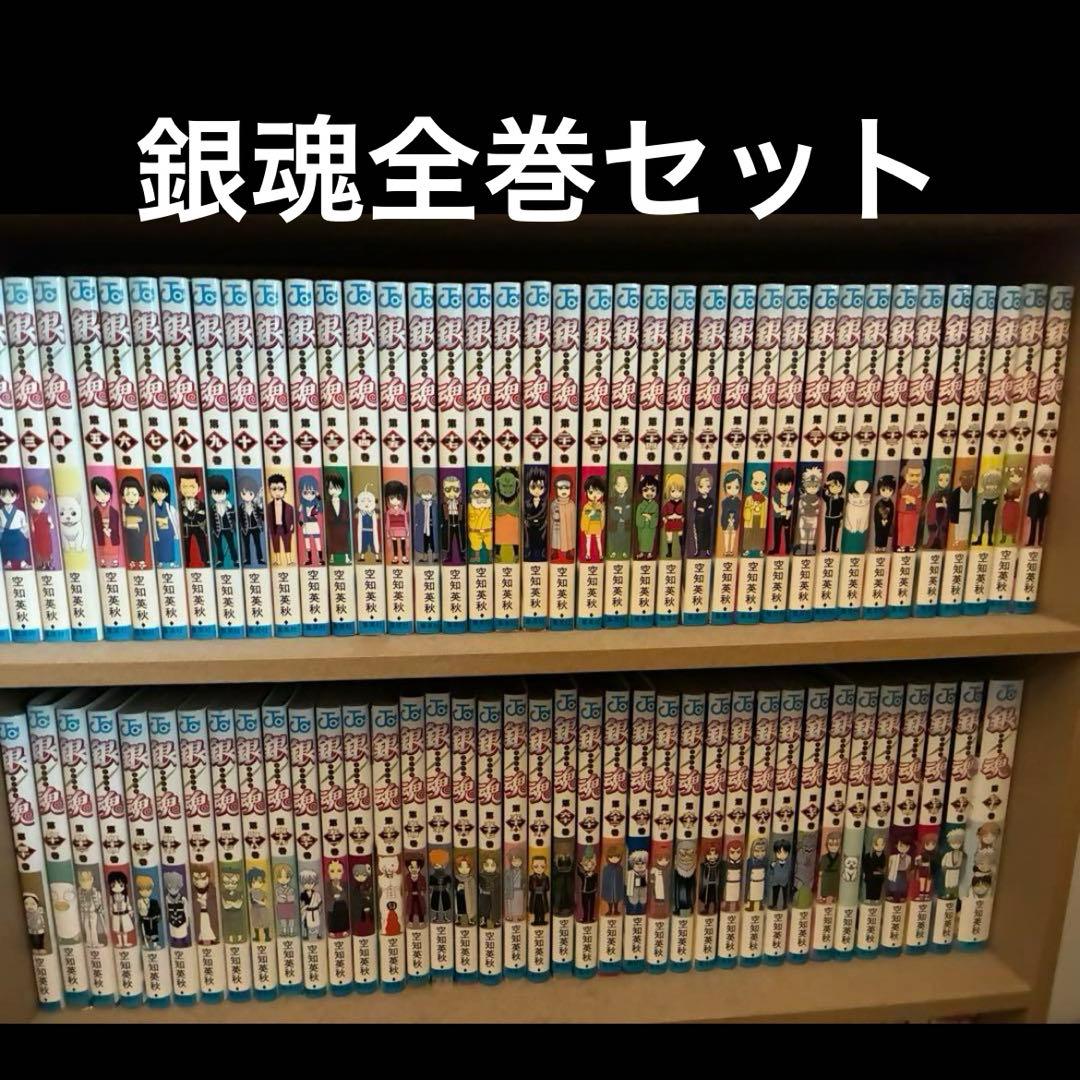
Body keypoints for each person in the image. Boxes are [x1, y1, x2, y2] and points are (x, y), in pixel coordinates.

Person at [147, 474, 179, 567]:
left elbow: (175, 518)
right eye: (155, 492)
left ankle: (172, 561)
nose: (159, 495)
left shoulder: (169, 507)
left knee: (170, 546)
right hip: (159, 531)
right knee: (160, 546)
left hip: (168, 531)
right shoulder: (152, 508)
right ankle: (160, 561)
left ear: (167, 493)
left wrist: (175, 530)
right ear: (151, 493)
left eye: (161, 491)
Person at [207, 475, 239, 567]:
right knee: (218, 546)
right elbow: (210, 519)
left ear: (227, 493)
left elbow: (234, 517)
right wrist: (211, 528)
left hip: (228, 528)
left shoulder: (229, 506)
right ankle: (220, 560)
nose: (218, 496)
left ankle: (235, 559)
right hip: (217, 530)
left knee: (231, 544)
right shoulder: (212, 508)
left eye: (221, 493)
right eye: (215, 493)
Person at [0, 480, 31, 568]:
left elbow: (24, 525)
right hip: (6, 533)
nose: (8, 498)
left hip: (18, 533)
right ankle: (8, 563)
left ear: (17, 496)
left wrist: (26, 533)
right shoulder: (0, 512)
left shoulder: (20, 513)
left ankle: (23, 562)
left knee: (20, 548)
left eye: (11, 495)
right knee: (7, 548)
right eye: (4, 495)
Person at [266, 474, 296, 565]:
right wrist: (269, 527)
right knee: (275, 544)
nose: (277, 492)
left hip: (285, 527)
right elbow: (267, 518)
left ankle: (289, 561)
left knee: (287, 543)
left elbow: (293, 517)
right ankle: (277, 560)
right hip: (274, 527)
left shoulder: (289, 507)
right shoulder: (268, 507)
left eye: (281, 489)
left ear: (285, 490)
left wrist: (292, 526)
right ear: (269, 490)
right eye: (274, 489)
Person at [90, 476, 121, 564]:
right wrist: (104, 529)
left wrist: (110, 530)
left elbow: (115, 523)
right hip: (102, 532)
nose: (102, 497)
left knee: (112, 546)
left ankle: (115, 560)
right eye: (98, 494)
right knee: (102, 546)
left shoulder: (113, 511)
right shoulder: (96, 511)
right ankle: (103, 560)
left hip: (111, 532)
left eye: (105, 494)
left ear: (110, 494)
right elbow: (97, 524)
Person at [237, 477, 266, 566]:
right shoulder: (241, 507)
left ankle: (260, 559)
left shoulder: (256, 505)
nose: (247, 496)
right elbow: (239, 517)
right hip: (245, 529)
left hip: (256, 527)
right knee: (246, 545)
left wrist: (261, 506)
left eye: (250, 493)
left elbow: (263, 516)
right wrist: (241, 526)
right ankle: (247, 559)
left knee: (258, 544)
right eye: (244, 493)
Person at [27, 484, 57, 570]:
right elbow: (32, 528)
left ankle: (49, 564)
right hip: (38, 536)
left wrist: (50, 524)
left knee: (47, 550)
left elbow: (52, 526)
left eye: (41, 501)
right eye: (33, 501)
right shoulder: (33, 516)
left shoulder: (47, 515)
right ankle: (43, 564)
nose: (37, 504)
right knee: (40, 551)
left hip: (46, 536)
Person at [324, 471, 351, 564]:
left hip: (343, 527)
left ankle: (347, 557)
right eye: (331, 488)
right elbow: (327, 515)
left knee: (344, 542)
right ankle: (331, 557)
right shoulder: (327, 504)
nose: (335, 490)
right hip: (332, 527)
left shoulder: (345, 503)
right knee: (332, 542)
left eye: (337, 488)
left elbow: (347, 514)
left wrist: (346, 524)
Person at [768, 467, 796, 556]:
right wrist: (786, 507)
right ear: (777, 485)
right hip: (778, 517)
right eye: (781, 484)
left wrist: (787, 517)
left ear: (791, 484)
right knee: (777, 533)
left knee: (787, 533)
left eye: (787, 484)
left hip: (787, 516)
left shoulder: (791, 496)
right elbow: (777, 509)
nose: (784, 487)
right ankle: (776, 549)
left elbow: (790, 508)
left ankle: (788, 548)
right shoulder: (775, 496)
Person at [522, 468, 547, 562]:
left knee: (540, 544)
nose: (537, 490)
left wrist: (544, 524)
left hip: (541, 527)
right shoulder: (526, 503)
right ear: (528, 488)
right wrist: (526, 522)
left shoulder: (545, 503)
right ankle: (530, 555)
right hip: (530, 527)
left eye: (540, 487)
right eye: (533, 487)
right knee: (531, 543)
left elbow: (545, 515)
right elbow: (525, 515)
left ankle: (540, 556)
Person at [297, 477, 324, 567]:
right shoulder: (302, 503)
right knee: (307, 542)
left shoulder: (316, 502)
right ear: (301, 492)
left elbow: (321, 510)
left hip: (314, 524)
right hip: (306, 525)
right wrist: (300, 523)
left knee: (317, 541)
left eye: (312, 492)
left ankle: (320, 559)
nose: (309, 495)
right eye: (305, 492)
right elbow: (298, 514)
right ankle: (310, 559)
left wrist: (319, 497)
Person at [741, 469, 768, 555]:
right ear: (751, 484)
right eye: (756, 483)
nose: (759, 486)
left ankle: (760, 550)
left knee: (760, 533)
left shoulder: (766, 499)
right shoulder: (749, 498)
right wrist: (752, 507)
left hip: (761, 520)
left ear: (766, 484)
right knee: (749, 533)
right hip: (750, 520)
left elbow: (766, 511)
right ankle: (747, 549)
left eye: (762, 483)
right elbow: (746, 510)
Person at [440, 475, 466, 562]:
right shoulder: (444, 505)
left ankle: (462, 556)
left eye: (456, 489)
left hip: (459, 524)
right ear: (444, 490)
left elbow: (463, 515)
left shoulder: (461, 504)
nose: (452, 493)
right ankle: (448, 556)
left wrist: (464, 523)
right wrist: (442, 524)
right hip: (448, 524)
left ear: (460, 491)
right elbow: (442, 515)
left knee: (460, 540)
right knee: (448, 541)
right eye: (448, 490)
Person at [579, 475, 606, 561]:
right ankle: (588, 554)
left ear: (602, 493)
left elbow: (602, 517)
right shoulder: (586, 506)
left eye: (598, 492)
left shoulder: (600, 506)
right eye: (591, 492)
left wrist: (602, 513)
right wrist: (590, 514)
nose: (595, 495)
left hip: (597, 525)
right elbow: (584, 516)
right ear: (586, 493)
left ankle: (600, 554)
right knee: (588, 540)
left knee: (598, 540)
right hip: (589, 525)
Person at [689, 471, 715, 558]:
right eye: (701, 486)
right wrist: (701, 509)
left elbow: (710, 511)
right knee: (699, 536)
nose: (704, 489)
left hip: (707, 521)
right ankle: (698, 550)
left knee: (707, 535)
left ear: (710, 487)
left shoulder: (710, 500)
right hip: (698, 521)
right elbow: (695, 510)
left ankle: (707, 550)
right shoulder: (697, 500)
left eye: (707, 486)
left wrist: (703, 510)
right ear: (697, 487)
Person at [548, 476, 575, 559]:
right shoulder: (554, 504)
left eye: (567, 488)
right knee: (556, 539)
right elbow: (551, 516)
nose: (564, 491)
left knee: (568, 537)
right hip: (557, 527)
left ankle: (568, 552)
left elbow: (573, 519)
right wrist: (555, 515)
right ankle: (555, 552)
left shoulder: (571, 504)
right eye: (560, 488)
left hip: (567, 527)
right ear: (556, 490)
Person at [412, 475, 437, 564]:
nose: (426, 496)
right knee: (424, 543)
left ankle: (434, 557)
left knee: (433, 542)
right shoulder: (418, 506)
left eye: (429, 493)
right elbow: (417, 517)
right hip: (423, 527)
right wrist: (416, 524)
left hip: (433, 527)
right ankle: (424, 557)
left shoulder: (435, 505)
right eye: (424, 494)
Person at [383, 480, 409, 565]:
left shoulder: (403, 512)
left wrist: (407, 530)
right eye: (392, 498)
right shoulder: (389, 512)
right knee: (394, 543)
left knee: (402, 542)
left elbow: (405, 521)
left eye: (398, 498)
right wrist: (387, 531)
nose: (395, 501)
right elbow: (388, 522)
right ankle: (395, 557)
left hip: (402, 529)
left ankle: (404, 556)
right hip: (393, 530)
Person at [660, 474, 686, 559]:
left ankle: (681, 550)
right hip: (670, 522)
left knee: (680, 535)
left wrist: (683, 518)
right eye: (673, 491)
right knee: (669, 537)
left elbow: (684, 512)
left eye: (680, 491)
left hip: (678, 522)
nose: (676, 494)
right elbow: (663, 512)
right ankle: (669, 552)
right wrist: (664, 519)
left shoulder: (682, 503)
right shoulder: (667, 504)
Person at [1026, 463, 1052, 545]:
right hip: (1034, 513)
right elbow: (1030, 505)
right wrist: (1029, 514)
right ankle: (1031, 542)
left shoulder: (1048, 496)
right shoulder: (1032, 495)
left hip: (1042, 514)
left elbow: (1048, 505)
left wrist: (1047, 513)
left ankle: (1040, 541)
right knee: (1032, 527)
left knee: (1041, 528)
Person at [634, 474, 660, 558]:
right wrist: (644, 517)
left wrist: (650, 517)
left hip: (650, 527)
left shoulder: (655, 505)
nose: (649, 493)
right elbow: (638, 517)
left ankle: (649, 553)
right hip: (642, 527)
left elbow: (656, 517)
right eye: (645, 490)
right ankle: (641, 552)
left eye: (653, 490)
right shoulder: (640, 506)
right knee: (641, 539)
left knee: (650, 539)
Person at [718, 470, 742, 557]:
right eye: (729, 487)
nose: (733, 490)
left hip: (735, 522)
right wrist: (728, 520)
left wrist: (733, 520)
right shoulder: (724, 501)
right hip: (726, 522)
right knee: (726, 536)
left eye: (736, 487)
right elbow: (724, 513)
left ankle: (731, 551)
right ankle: (726, 551)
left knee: (733, 537)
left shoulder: (739, 501)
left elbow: (738, 512)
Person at [528, 856, 550, 926]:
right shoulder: (531, 877)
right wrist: (536, 889)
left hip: (542, 896)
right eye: (536, 866)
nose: (539, 869)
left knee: (542, 909)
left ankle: (542, 920)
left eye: (542, 866)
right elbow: (530, 887)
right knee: (536, 909)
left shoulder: (546, 877)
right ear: (532, 866)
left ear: (545, 866)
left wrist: (541, 889)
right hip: (535, 896)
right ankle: (536, 920)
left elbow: (548, 887)